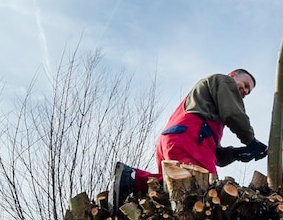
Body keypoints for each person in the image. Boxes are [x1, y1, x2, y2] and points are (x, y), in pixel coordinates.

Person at [111, 70, 268, 208]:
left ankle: (132, 183)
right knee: (204, 188)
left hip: (174, 138)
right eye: (245, 85)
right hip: (190, 137)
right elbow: (234, 115)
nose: (245, 91)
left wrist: (236, 153)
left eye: (249, 91)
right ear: (233, 75)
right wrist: (251, 141)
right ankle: (132, 178)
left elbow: (213, 152)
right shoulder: (224, 81)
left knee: (176, 190)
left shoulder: (208, 106)